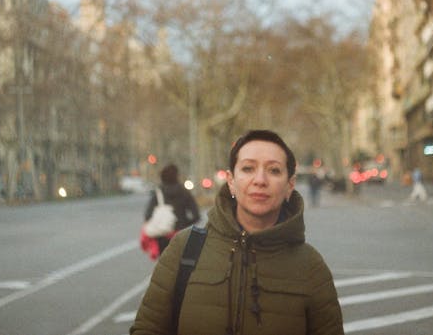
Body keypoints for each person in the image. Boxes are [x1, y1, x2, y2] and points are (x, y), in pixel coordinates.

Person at [130, 129, 344, 335]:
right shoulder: (184, 249)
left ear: (290, 186)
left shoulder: (311, 267)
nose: (260, 180)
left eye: (274, 170)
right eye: (248, 168)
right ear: (231, 181)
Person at [143, 163, 200, 256]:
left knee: (164, 264)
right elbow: (196, 215)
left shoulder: (158, 193)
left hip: (162, 236)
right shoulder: (184, 192)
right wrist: (184, 223)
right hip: (181, 235)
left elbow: (147, 215)